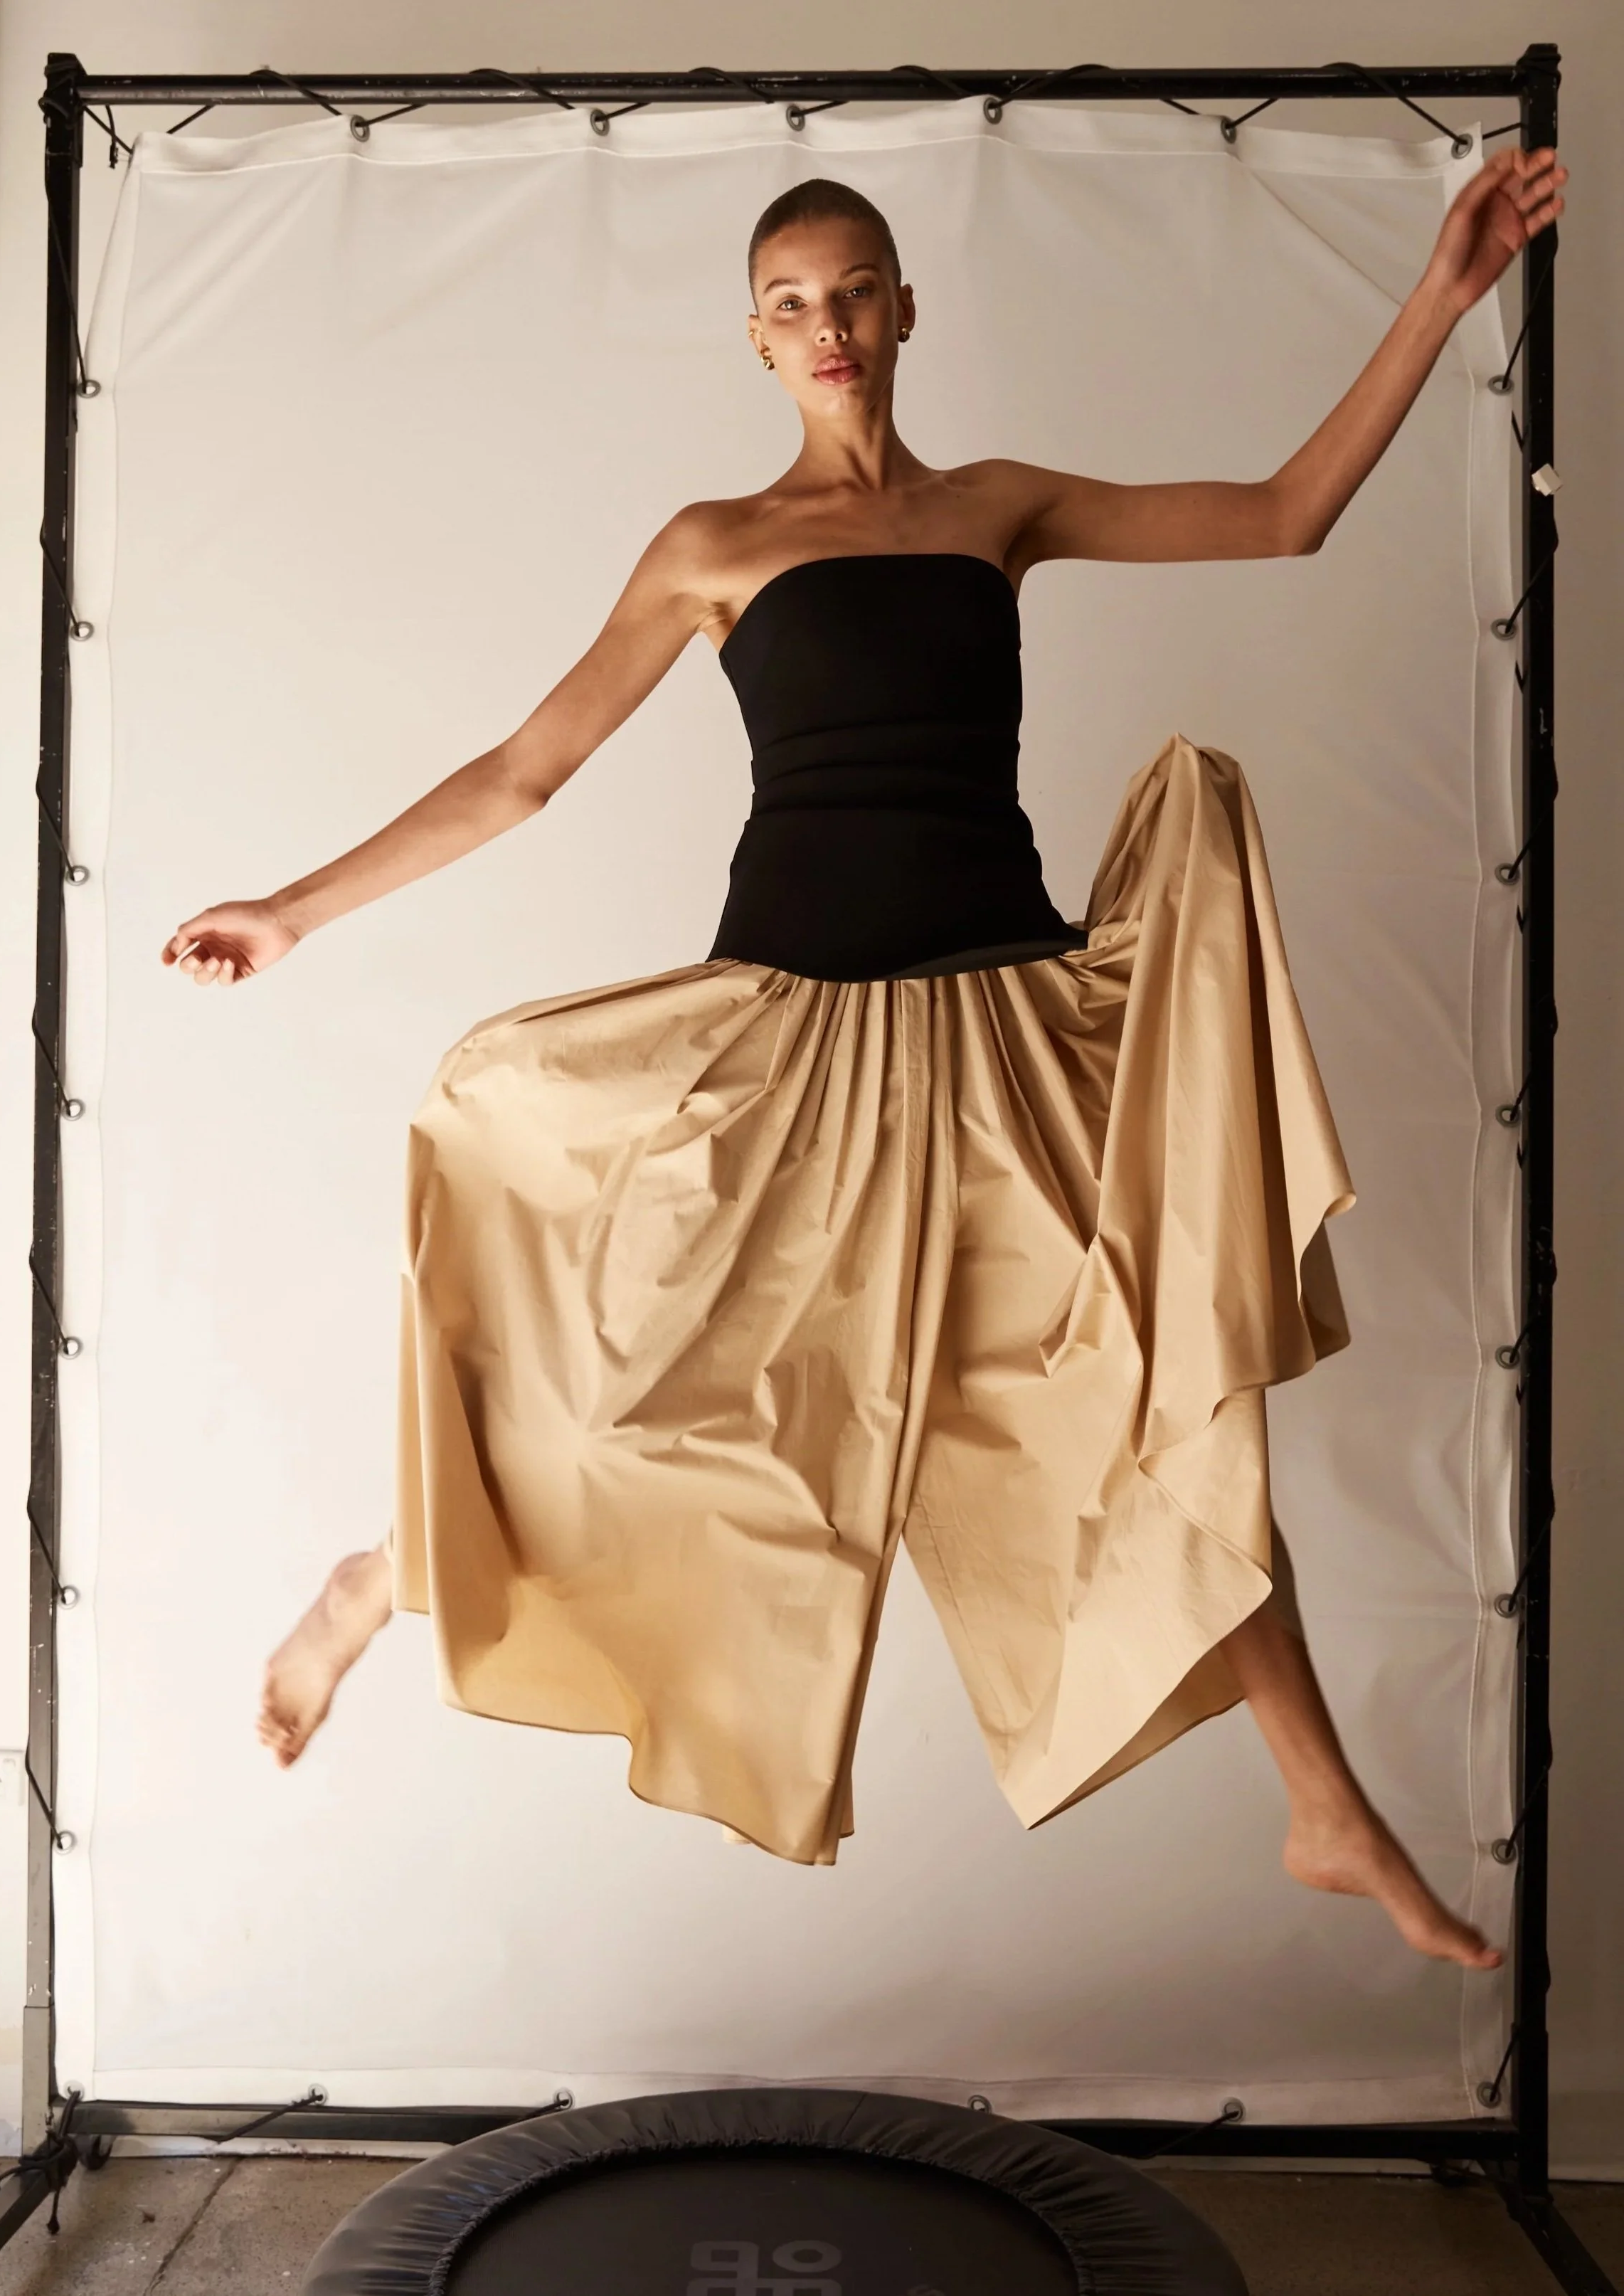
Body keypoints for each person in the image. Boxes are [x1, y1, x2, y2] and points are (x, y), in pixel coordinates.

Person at [164, 148, 1563, 1967]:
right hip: (796, 1039)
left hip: (1002, 1026)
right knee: (630, 1385)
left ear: (904, 309)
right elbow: (522, 773)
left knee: (1149, 1398)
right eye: (789, 303)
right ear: (754, 339)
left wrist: (1441, 293)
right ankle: (384, 1572)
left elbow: (1286, 511)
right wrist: (293, 907)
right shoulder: (712, 546)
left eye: (852, 291)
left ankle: (1320, 1802)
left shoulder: (997, 505)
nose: (825, 324)